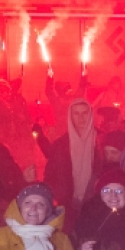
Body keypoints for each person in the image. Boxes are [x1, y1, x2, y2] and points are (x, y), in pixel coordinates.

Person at [40, 97, 100, 226]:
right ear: (70, 116)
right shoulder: (61, 145)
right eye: (76, 114)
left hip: (95, 204)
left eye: (84, 113)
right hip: (67, 205)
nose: (81, 118)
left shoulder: (101, 142)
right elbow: (51, 175)